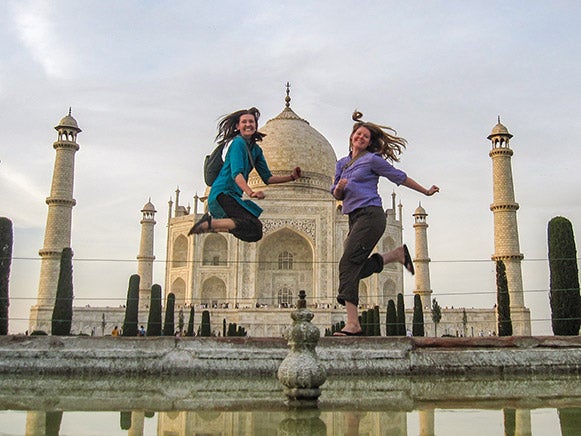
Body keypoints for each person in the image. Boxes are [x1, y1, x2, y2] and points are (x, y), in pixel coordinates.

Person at [331, 111, 439, 336]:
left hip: (371, 215)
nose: (361, 137)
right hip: (353, 217)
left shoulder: (372, 160)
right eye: (358, 134)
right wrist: (339, 188)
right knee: (352, 269)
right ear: (352, 136)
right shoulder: (341, 164)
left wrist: (425, 191)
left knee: (347, 265)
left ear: (370, 142)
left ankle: (353, 324)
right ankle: (396, 255)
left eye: (366, 136)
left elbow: (399, 177)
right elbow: (335, 193)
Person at [189, 107, 301, 242]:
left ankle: (213, 223)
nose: (248, 124)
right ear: (238, 126)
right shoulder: (237, 143)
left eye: (251, 122)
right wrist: (251, 192)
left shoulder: (256, 150)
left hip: (234, 196)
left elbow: (267, 178)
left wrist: (291, 177)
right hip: (222, 193)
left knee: (254, 232)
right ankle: (210, 223)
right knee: (252, 226)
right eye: (244, 122)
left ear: (255, 125)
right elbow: (237, 174)